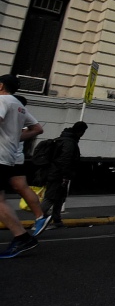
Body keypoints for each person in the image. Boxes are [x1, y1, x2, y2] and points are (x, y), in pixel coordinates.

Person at [0, 75, 44, 258]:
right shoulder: (18, 105)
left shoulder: (2, 100)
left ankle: (21, 237)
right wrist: (14, 138)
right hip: (7, 156)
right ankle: (22, 237)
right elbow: (37, 129)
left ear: (1, 85)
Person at [7, 95, 50, 235]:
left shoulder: (10, 110)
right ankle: (40, 217)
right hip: (17, 157)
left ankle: (22, 232)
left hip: (6, 156)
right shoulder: (24, 113)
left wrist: (13, 139)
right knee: (21, 186)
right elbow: (38, 129)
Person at [38, 121, 88, 228]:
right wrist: (65, 175)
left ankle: (57, 221)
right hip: (59, 175)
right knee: (51, 197)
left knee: (59, 197)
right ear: (81, 132)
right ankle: (39, 219)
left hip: (55, 172)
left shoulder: (63, 139)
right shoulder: (70, 142)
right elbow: (65, 160)